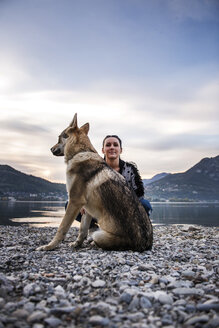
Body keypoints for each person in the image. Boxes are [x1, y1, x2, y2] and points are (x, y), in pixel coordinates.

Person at [65, 135, 152, 228]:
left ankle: (127, 229)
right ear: (103, 150)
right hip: (99, 210)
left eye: (115, 145)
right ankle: (94, 228)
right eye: (108, 145)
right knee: (69, 205)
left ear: (120, 150)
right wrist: (83, 204)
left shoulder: (130, 169)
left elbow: (139, 194)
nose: (112, 147)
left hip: (124, 210)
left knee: (145, 205)